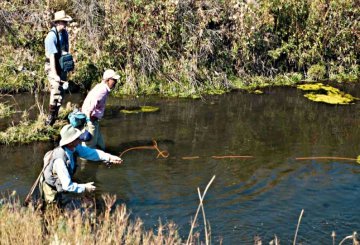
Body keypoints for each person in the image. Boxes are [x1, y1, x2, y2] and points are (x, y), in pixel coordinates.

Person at [40, 124, 123, 206]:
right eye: (77, 138)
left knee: (80, 199)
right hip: (52, 189)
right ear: (70, 142)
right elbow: (67, 186)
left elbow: (92, 153)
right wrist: (85, 187)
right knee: (53, 211)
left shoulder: (74, 147)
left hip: (62, 183)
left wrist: (109, 157)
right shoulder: (60, 161)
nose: (80, 139)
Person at [44, 10, 72, 126]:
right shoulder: (51, 37)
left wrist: (68, 64)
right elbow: (51, 57)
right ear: (58, 22)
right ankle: (50, 118)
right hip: (52, 65)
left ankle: (56, 115)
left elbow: (66, 50)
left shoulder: (64, 33)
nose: (66, 24)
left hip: (61, 65)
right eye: (64, 22)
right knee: (56, 88)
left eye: (66, 22)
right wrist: (55, 75)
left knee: (62, 90)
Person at [81, 69, 120, 150]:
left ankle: (103, 156)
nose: (115, 82)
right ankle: (84, 162)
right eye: (114, 80)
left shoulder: (101, 87)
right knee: (89, 145)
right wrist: (88, 122)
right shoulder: (102, 90)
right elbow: (91, 105)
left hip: (94, 120)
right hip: (91, 120)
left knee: (100, 144)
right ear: (107, 80)